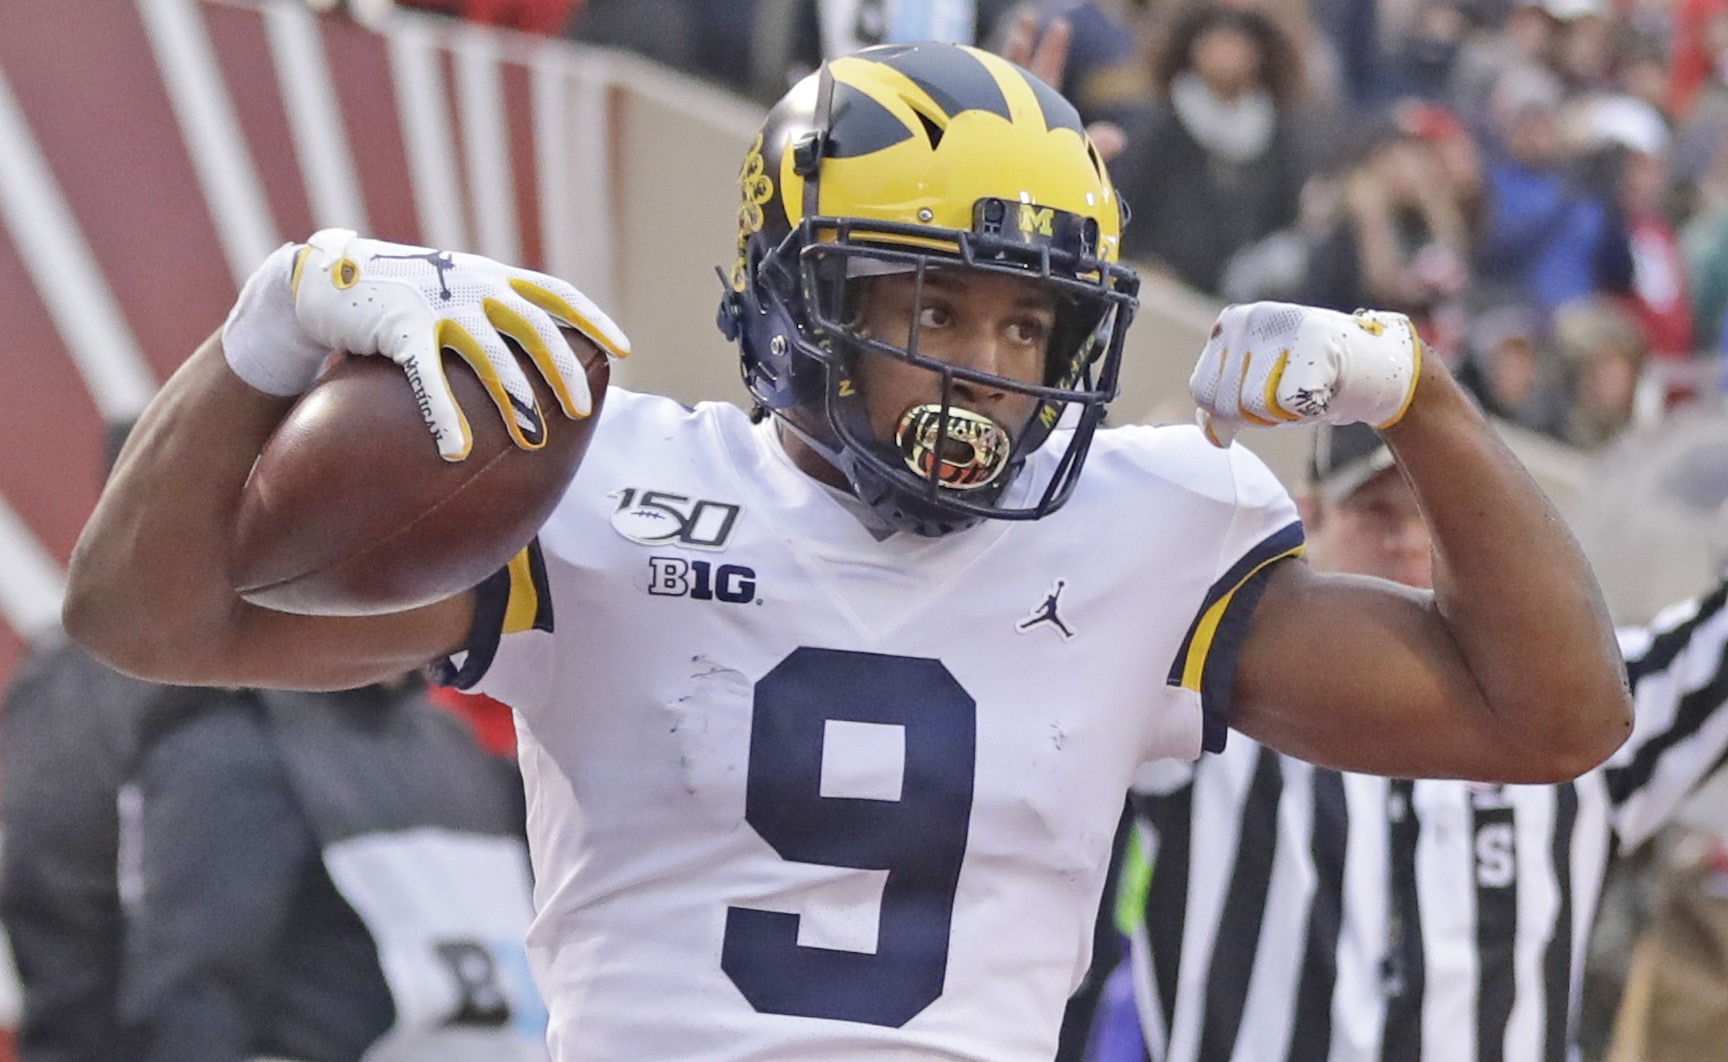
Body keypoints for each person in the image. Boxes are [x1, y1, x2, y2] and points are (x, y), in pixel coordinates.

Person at [62, 41, 1630, 1061]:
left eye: (1030, 318)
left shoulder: (1149, 524)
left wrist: (1420, 398)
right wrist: (271, 324)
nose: (988, 364)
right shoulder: (605, 489)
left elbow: (1552, 716)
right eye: (932, 307)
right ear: (800, 304)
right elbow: (145, 616)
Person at [1082, 422, 1728, 1062]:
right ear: (1311, 518)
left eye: (1439, 517)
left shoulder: (1577, 706)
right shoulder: (1210, 690)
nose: (1413, 541)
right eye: (1376, 511)